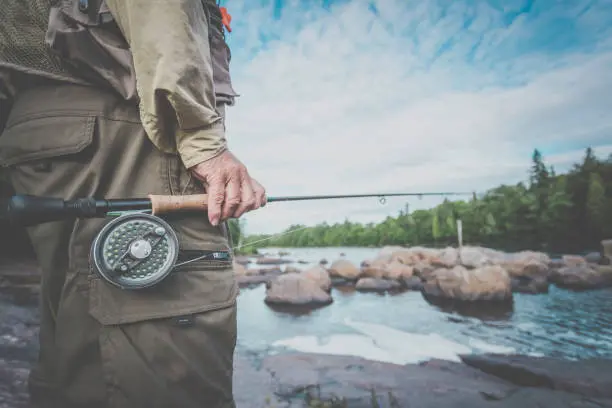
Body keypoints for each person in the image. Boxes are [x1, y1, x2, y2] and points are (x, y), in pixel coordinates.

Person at [0, 1, 265, 407]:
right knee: (169, 375)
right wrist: (203, 143)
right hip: (123, 126)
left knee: (77, 359)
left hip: (40, 137)